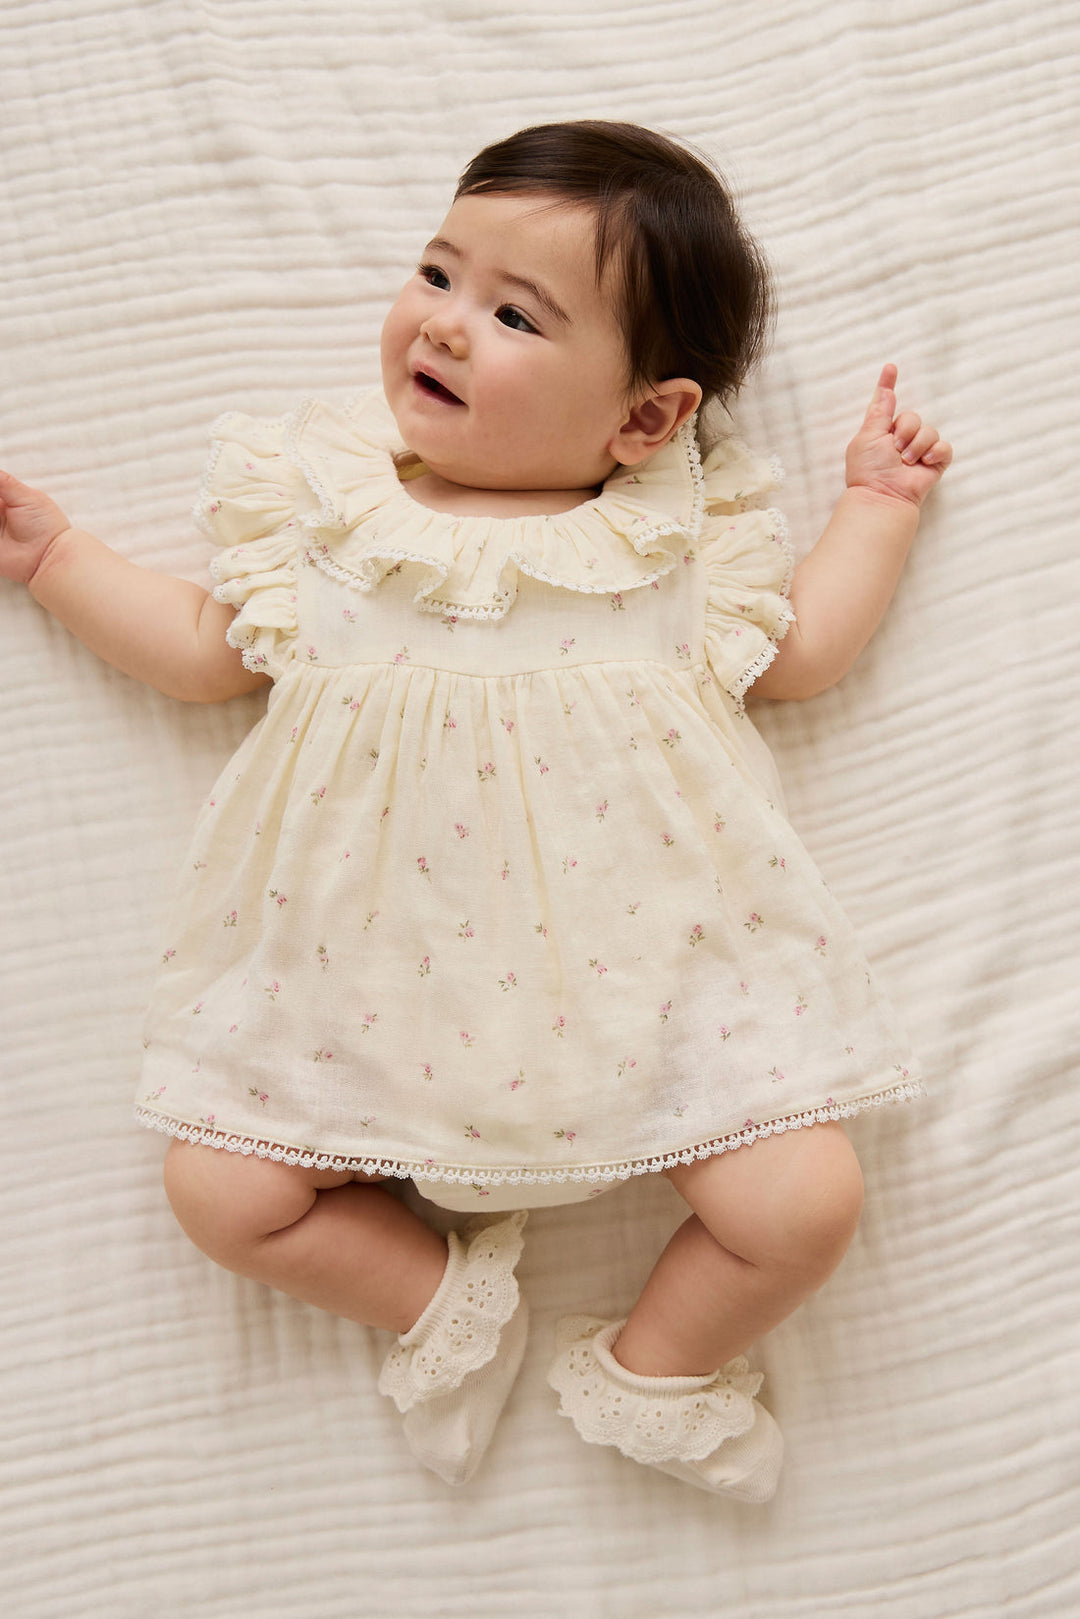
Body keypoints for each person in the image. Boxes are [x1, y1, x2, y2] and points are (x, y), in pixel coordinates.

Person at [0, 121, 951, 1501]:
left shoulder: (667, 544)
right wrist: (61, 561)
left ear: (645, 419)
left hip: (660, 974)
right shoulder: (331, 520)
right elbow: (208, 649)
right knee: (222, 1194)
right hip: (371, 974)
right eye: (439, 275)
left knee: (807, 1205)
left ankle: (660, 1367)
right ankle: (433, 1296)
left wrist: (876, 506)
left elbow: (800, 655)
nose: (443, 328)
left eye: (514, 315)